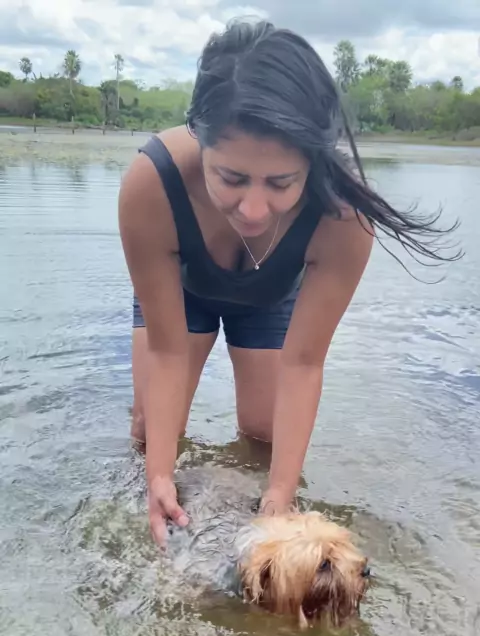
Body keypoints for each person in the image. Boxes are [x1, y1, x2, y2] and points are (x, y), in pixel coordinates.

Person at [119, 18, 459, 546]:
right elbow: (167, 351)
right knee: (150, 433)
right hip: (181, 291)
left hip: (270, 293)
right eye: (231, 178)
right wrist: (160, 475)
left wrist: (279, 496)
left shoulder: (344, 219)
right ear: (198, 137)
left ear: (312, 161)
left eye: (282, 183)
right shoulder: (152, 185)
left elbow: (304, 364)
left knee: (264, 434)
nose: (254, 210)